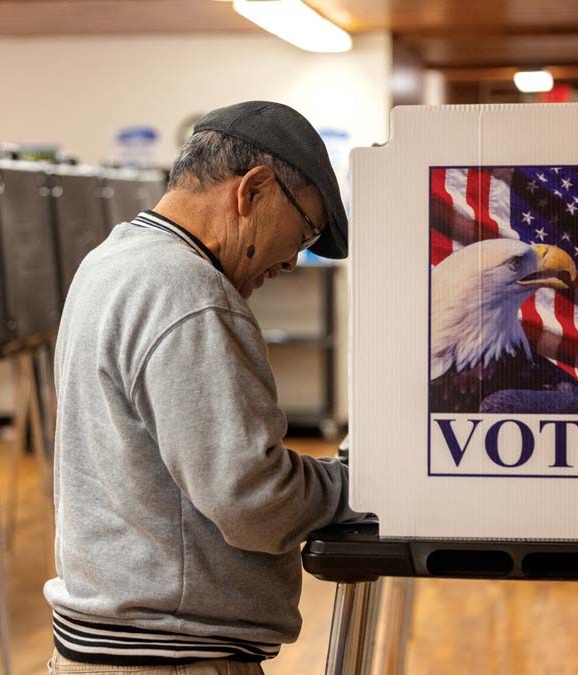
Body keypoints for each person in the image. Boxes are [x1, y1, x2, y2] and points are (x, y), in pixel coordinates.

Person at [46, 101, 355, 674]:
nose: (293, 260)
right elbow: (254, 501)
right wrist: (354, 486)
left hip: (116, 645)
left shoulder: (110, 260)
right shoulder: (189, 291)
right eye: (305, 230)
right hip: (169, 656)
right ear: (254, 190)